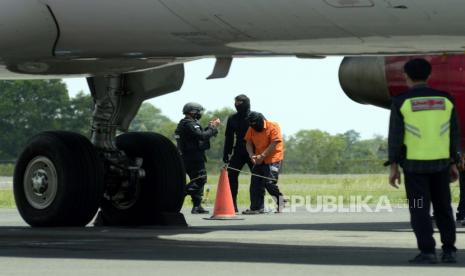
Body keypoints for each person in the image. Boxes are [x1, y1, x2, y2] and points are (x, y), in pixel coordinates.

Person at [388, 58, 460, 264]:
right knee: (444, 208)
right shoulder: (445, 100)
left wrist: (393, 166)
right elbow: (453, 134)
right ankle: (449, 251)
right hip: (441, 166)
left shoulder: (401, 102)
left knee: (419, 208)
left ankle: (427, 252)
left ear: (406, 76)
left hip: (414, 167)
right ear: (429, 75)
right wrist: (454, 162)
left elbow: (395, 137)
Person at [175, 102, 220, 214]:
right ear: (193, 112)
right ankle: (180, 193)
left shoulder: (185, 124)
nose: (200, 114)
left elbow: (197, 135)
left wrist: (210, 128)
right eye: (198, 112)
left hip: (188, 156)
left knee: (196, 179)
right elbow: (202, 136)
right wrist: (212, 127)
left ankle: (197, 206)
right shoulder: (189, 124)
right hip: (193, 157)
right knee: (200, 179)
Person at [243, 111, 285, 214]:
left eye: (255, 124)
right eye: (251, 124)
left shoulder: (273, 126)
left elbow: (274, 142)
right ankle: (256, 208)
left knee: (269, 182)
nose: (253, 126)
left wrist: (262, 155)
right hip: (259, 159)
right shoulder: (251, 128)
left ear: (261, 121)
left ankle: (281, 202)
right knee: (255, 183)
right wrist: (251, 155)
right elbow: (248, 142)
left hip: (273, 159)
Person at [223, 94, 253, 212]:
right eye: (235, 102)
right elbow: (229, 137)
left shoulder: (255, 116)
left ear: (246, 103)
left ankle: (257, 206)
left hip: (254, 152)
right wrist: (226, 153)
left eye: (240, 102)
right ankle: (232, 205)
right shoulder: (232, 118)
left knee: (258, 179)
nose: (237, 104)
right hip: (239, 151)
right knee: (231, 176)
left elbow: (265, 134)